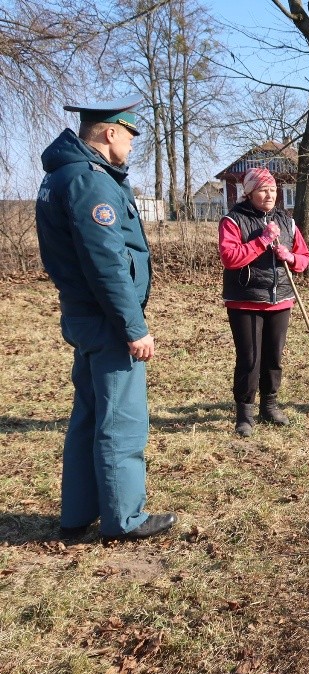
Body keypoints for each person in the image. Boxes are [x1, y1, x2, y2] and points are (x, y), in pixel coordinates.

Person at [35, 95, 177, 542]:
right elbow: (107, 263)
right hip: (107, 321)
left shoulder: (61, 175)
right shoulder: (90, 182)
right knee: (121, 421)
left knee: (90, 415)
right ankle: (124, 519)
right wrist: (133, 327)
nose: (131, 145)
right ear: (110, 132)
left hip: (84, 314)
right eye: (129, 136)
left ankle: (77, 514)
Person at [218, 167, 309, 437]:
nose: (269, 195)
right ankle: (244, 415)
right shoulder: (233, 220)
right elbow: (230, 258)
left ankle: (269, 406)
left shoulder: (287, 221)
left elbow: (303, 258)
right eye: (262, 190)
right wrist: (262, 241)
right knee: (250, 359)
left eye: (272, 190)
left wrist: (290, 257)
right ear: (249, 193)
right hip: (245, 301)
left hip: (280, 300)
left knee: (274, 358)